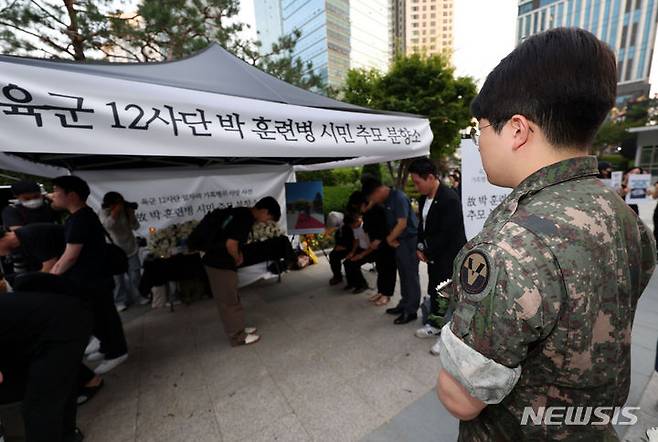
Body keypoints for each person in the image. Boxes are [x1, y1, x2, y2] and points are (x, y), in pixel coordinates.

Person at [435, 28, 656, 441]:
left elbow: (461, 398)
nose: (479, 142)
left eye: (480, 127)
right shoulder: (621, 214)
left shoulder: (511, 243)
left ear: (517, 130)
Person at [49, 175, 129, 375]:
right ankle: (106, 346)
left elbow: (70, 256)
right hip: (92, 278)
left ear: (72, 195)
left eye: (56, 191)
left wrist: (51, 276)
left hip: (92, 279)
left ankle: (116, 352)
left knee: (104, 317)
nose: (52, 196)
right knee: (99, 316)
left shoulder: (80, 219)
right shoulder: (82, 216)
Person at [0, 288, 91, 442]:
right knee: (56, 390)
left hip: (62, 328)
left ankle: (65, 435)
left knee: (37, 407)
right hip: (62, 319)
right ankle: (67, 435)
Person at [188, 197, 281, 346]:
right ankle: (238, 336)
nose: (265, 222)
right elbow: (231, 244)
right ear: (264, 210)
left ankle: (239, 327)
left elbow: (229, 238)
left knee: (232, 296)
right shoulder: (245, 218)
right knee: (228, 301)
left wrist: (238, 254)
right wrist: (237, 257)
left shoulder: (242, 212)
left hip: (218, 261)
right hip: (219, 263)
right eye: (268, 218)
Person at [408, 158, 466, 344]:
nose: (416, 187)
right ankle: (434, 325)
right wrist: (419, 247)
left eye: (418, 182)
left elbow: (447, 234)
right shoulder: (424, 198)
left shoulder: (449, 199)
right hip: (433, 256)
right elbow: (422, 227)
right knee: (434, 290)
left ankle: (449, 339)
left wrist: (428, 250)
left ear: (431, 177)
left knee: (448, 295)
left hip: (448, 257)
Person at [362, 177, 421, 325]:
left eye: (372, 197)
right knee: (403, 274)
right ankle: (404, 303)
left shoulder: (398, 197)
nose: (373, 201)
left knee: (410, 276)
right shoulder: (387, 200)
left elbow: (402, 223)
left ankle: (411, 310)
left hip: (408, 241)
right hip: (399, 242)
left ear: (378, 191)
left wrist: (389, 239)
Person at [100, 192, 149, 312]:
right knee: (118, 279)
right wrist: (115, 213)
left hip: (130, 247)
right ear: (110, 204)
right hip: (114, 250)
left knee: (135, 275)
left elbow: (135, 226)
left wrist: (131, 215)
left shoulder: (126, 210)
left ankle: (139, 296)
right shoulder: (103, 212)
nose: (119, 206)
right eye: (116, 203)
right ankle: (119, 301)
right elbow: (108, 226)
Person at [1, 180, 57, 274]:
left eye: (36, 196)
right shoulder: (11, 211)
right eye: (26, 198)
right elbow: (21, 233)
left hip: (52, 250)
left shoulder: (47, 206)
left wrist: (52, 197)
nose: (33, 200)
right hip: (27, 256)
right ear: (17, 197)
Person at [361, 199, 397, 307]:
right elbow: (366, 228)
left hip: (387, 244)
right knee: (380, 268)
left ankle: (387, 294)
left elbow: (389, 226)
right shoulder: (367, 213)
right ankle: (381, 291)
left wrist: (379, 239)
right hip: (376, 245)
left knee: (388, 269)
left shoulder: (381, 209)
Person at [343, 213, 376, 294]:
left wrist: (361, 255)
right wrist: (352, 252)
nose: (351, 227)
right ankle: (352, 283)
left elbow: (373, 245)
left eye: (351, 225)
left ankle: (362, 285)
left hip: (372, 251)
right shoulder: (355, 227)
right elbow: (356, 240)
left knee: (354, 264)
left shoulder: (366, 227)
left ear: (357, 221)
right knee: (346, 262)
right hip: (362, 249)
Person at [326, 211, 354, 286]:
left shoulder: (349, 225)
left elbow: (354, 240)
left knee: (338, 257)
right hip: (343, 248)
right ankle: (337, 276)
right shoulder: (339, 228)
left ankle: (348, 278)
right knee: (333, 255)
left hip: (351, 248)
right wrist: (338, 246)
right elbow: (338, 239)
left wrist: (344, 247)